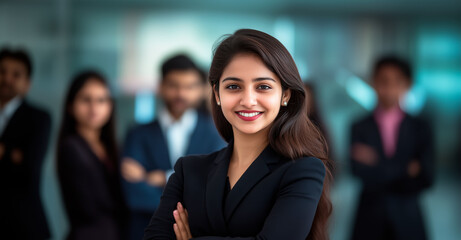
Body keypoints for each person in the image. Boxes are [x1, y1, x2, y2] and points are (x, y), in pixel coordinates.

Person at [143, 29, 333, 240]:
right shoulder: (188, 171)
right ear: (216, 94)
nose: (248, 100)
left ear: (285, 95)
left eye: (263, 87)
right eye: (234, 86)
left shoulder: (303, 170)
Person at [121, 54, 226, 240]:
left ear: (201, 90)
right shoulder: (137, 134)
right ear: (161, 86)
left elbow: (214, 188)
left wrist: (163, 176)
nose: (181, 94)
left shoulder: (215, 133)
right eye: (174, 85)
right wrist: (188, 207)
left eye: (189, 86)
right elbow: (134, 193)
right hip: (145, 232)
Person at [350, 56, 434, 240]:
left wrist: (377, 162)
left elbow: (427, 176)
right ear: (374, 83)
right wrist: (406, 168)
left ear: (408, 84)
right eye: (383, 81)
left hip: (408, 217)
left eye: (397, 81)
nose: (389, 88)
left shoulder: (420, 127)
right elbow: (357, 171)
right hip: (369, 218)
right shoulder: (359, 126)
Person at [57, 70, 127, 240]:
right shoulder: (71, 147)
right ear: (70, 105)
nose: (94, 108)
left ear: (110, 105)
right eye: (85, 100)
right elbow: (90, 206)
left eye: (101, 100)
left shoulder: (110, 147)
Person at [0, 48, 52, 239]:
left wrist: (4, 152)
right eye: (2, 71)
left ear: (27, 83)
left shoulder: (38, 118)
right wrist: (12, 154)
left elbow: (30, 170)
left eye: (16, 74)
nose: (7, 79)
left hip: (23, 225)